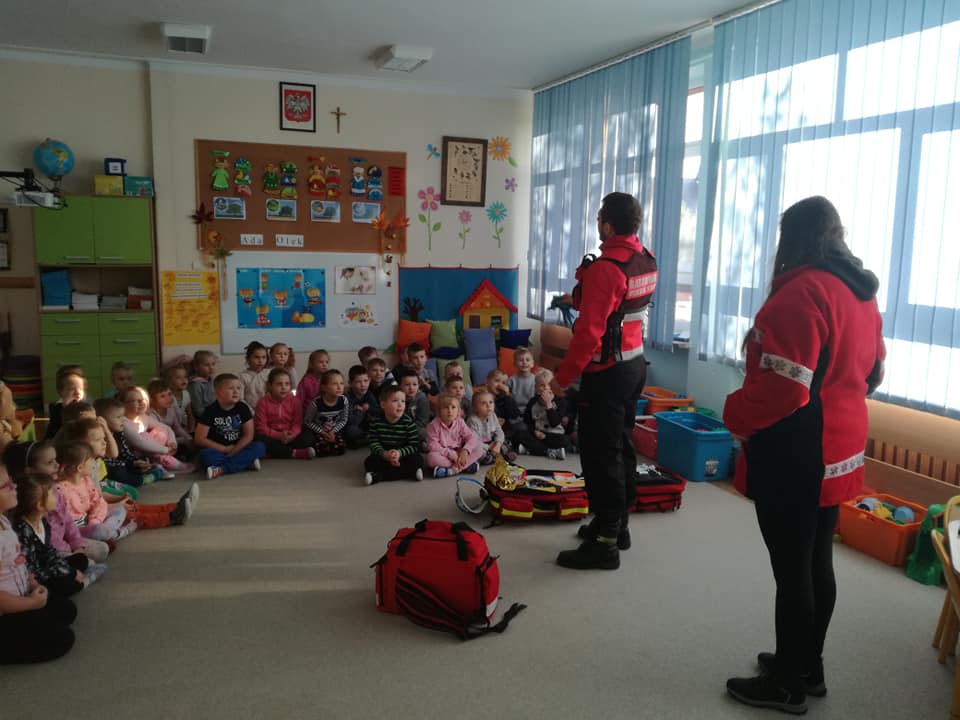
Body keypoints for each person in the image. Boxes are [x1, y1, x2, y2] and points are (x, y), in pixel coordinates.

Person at [722, 196, 885, 714]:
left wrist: (733, 413)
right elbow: (875, 372)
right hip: (840, 445)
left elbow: (785, 389)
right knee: (816, 560)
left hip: (799, 450)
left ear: (790, 238)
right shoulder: (860, 292)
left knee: (793, 570)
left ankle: (788, 684)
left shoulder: (801, 292)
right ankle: (807, 665)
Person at [551, 192, 656, 571]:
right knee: (621, 446)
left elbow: (588, 335)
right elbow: (618, 308)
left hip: (606, 373)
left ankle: (606, 544)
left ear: (607, 225)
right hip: (634, 365)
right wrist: (581, 293)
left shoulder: (607, 268)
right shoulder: (644, 259)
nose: (597, 223)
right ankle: (616, 525)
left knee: (600, 454)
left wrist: (563, 378)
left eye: (599, 218)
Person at [0, 462, 78, 664]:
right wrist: (31, 603)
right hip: (6, 610)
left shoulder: (4, 522)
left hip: (21, 597)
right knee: (62, 639)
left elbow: (19, 562)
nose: (14, 486)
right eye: (6, 485)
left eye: (11, 481)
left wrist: (33, 584)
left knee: (67, 611)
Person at [12, 473, 106, 596]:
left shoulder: (42, 521)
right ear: (40, 505)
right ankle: (83, 581)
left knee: (80, 559)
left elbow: (50, 554)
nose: (57, 495)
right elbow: (32, 569)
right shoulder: (23, 531)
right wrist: (69, 573)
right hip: (37, 577)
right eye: (52, 493)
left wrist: (69, 571)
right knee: (65, 588)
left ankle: (77, 576)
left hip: (48, 567)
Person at [195, 374, 266, 480]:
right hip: (218, 449)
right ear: (218, 392)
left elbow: (249, 435)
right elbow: (199, 439)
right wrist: (224, 449)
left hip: (239, 447)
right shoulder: (210, 411)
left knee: (260, 447)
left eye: (238, 388)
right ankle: (245, 463)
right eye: (231, 388)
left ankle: (221, 469)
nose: (236, 391)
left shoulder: (242, 408)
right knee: (205, 456)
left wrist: (234, 450)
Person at [364, 385, 424, 485]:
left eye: (403, 401)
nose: (400, 405)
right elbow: (373, 443)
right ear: (383, 404)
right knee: (370, 461)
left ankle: (381, 475)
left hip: (403, 455)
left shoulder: (408, 422)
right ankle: (406, 473)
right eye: (395, 401)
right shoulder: (375, 422)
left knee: (417, 459)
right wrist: (384, 454)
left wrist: (400, 453)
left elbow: (414, 445)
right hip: (384, 454)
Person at [253, 368, 316, 459]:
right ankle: (294, 453)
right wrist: (279, 436)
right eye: (279, 384)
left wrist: (292, 435)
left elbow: (297, 423)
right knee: (257, 438)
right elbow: (261, 427)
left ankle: (274, 452)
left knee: (309, 436)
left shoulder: (295, 401)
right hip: (271, 436)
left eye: (287, 384)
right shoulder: (262, 402)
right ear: (270, 386)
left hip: (290, 436)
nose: (283, 387)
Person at [424, 394, 483, 478]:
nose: (450, 411)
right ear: (439, 411)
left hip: (459, 452)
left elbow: (471, 437)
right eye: (446, 408)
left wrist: (465, 451)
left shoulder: (460, 422)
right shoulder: (433, 426)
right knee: (431, 458)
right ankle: (465, 466)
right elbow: (432, 445)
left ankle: (452, 470)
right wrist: (450, 454)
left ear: (458, 411)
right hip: (444, 454)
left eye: (453, 407)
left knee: (479, 448)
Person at [520, 369, 573, 460]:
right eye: (542, 385)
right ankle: (549, 451)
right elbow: (527, 420)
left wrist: (548, 404)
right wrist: (534, 431)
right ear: (536, 388)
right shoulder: (532, 402)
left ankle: (533, 449)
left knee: (565, 440)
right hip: (537, 433)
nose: (546, 388)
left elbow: (554, 422)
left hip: (554, 434)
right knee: (520, 434)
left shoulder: (561, 402)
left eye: (549, 384)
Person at [303, 369, 348, 457]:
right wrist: (322, 432)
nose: (339, 387)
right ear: (324, 387)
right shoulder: (316, 403)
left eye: (341, 383)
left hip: (334, 430)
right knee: (322, 450)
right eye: (334, 384)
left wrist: (333, 432)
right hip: (318, 431)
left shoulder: (344, 400)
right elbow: (308, 421)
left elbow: (344, 419)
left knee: (341, 448)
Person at [466, 389, 504, 465]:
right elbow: (474, 441)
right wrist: (488, 447)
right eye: (484, 403)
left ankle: (497, 454)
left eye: (491, 402)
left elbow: (499, 431)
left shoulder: (493, 415)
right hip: (479, 444)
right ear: (475, 408)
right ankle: (490, 458)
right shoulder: (473, 421)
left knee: (504, 443)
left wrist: (498, 444)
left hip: (491, 442)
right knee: (479, 452)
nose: (488, 406)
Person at [343, 365, 377, 448]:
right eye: (358, 382)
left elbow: (378, 411)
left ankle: (365, 439)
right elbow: (351, 422)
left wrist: (369, 408)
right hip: (354, 427)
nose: (363, 385)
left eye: (366, 381)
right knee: (349, 431)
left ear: (369, 380)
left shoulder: (369, 394)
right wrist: (360, 412)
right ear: (350, 383)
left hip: (366, 425)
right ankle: (368, 438)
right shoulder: (347, 397)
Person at [297, 349, 330, 415]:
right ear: (312, 364)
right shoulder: (306, 381)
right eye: (321, 362)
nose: (324, 364)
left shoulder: (328, 378)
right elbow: (299, 401)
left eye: (326, 362)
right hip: (309, 415)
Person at [239, 341, 270, 410]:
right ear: (248, 359)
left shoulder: (269, 373)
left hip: (268, 410)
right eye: (256, 357)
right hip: (250, 411)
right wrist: (251, 411)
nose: (260, 361)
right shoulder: (242, 376)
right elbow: (241, 399)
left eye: (264, 357)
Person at [189, 350, 218, 417]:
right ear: (196, 367)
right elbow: (198, 409)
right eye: (206, 365)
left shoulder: (213, 380)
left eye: (213, 364)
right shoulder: (195, 385)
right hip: (205, 417)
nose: (211, 368)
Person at [508, 347, 537, 414]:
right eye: (521, 360)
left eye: (527, 360)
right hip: (515, 410)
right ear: (515, 364)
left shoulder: (536, 379)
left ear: (532, 364)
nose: (524, 362)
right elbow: (507, 397)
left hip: (532, 410)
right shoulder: (511, 380)